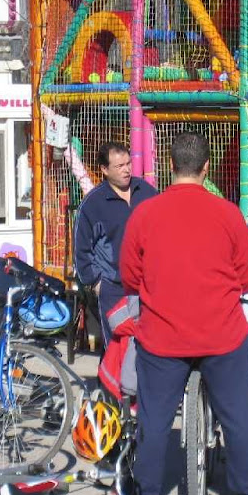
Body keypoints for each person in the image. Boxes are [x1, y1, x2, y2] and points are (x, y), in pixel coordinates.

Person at [120, 132, 248, 495]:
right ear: (207, 167)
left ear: (170, 165)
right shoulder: (228, 213)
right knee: (239, 418)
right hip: (221, 333)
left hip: (162, 336)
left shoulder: (145, 213)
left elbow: (129, 276)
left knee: (154, 422)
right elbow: (247, 277)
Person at [73, 141, 158, 348]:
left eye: (128, 164)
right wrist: (96, 283)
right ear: (104, 169)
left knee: (149, 347)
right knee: (117, 349)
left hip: (148, 285)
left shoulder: (146, 192)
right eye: (119, 166)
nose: (126, 170)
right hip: (113, 289)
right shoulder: (93, 204)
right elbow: (81, 250)